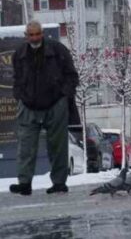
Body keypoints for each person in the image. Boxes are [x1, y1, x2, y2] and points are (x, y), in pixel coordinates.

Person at [9, 20, 79, 195]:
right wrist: (19, 96)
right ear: (26, 36)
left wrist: (64, 95)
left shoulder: (58, 50)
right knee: (25, 146)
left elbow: (72, 76)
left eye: (37, 34)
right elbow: (17, 78)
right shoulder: (19, 54)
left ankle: (59, 182)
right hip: (28, 105)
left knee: (58, 146)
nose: (34, 38)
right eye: (31, 35)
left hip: (55, 104)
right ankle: (24, 183)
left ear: (42, 33)